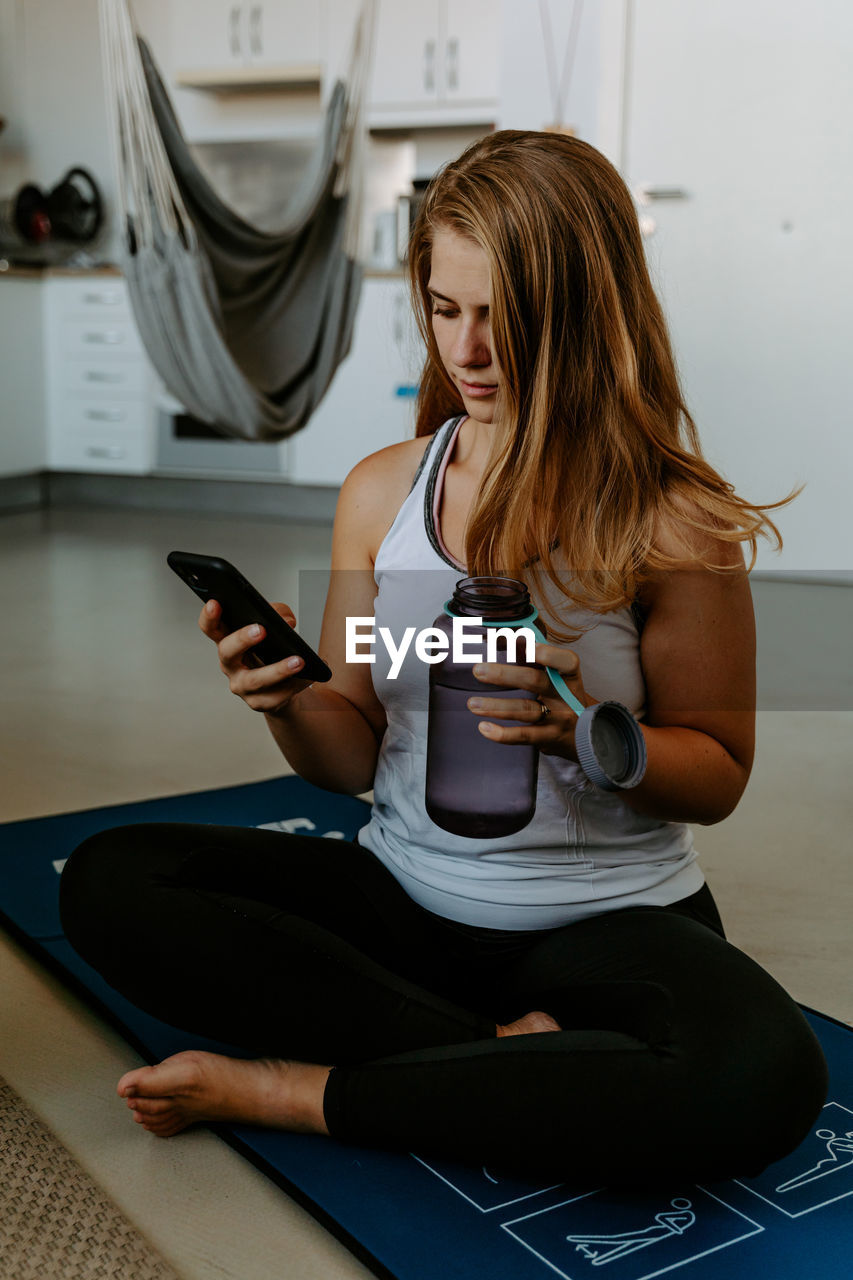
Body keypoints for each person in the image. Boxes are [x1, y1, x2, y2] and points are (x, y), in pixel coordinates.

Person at [59, 130, 827, 1186]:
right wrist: (283, 699)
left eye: (501, 319)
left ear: (581, 313)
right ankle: (507, 1051)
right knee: (113, 880)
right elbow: (351, 753)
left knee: (762, 1072)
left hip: (609, 920)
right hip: (407, 901)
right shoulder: (381, 495)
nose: (466, 351)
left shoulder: (673, 521)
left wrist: (582, 730)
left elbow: (719, 773)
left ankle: (298, 1089)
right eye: (443, 307)